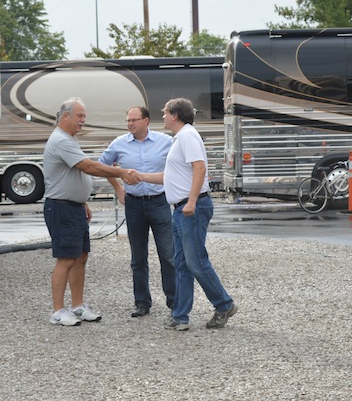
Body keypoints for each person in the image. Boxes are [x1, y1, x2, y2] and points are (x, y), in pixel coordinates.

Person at [140, 98, 237, 331]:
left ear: (175, 115)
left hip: (190, 208)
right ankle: (180, 316)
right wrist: (140, 176)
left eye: (164, 113)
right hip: (181, 209)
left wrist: (192, 201)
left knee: (196, 262)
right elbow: (170, 177)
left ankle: (224, 304)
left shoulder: (187, 136)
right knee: (182, 264)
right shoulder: (180, 138)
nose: (162, 117)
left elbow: (200, 167)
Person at [44, 97, 139, 327]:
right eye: (79, 116)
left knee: (80, 258)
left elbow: (73, 175)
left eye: (84, 117)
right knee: (65, 259)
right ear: (65, 115)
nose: (83, 121)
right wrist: (123, 173)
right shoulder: (61, 140)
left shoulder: (69, 139)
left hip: (73, 207)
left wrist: (82, 201)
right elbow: (88, 167)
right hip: (61, 208)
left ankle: (77, 306)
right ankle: (57, 311)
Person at [99, 106, 175, 318]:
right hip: (133, 204)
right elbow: (102, 166)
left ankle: (174, 301)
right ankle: (142, 303)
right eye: (128, 120)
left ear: (146, 121)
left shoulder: (165, 142)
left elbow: (178, 167)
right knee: (138, 257)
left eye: (134, 120)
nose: (130, 123)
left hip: (159, 202)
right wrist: (118, 189)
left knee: (168, 255)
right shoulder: (119, 143)